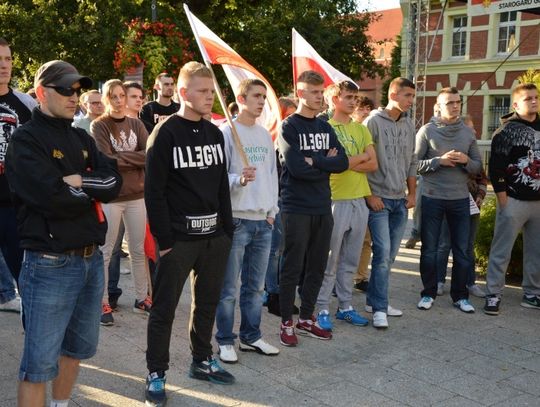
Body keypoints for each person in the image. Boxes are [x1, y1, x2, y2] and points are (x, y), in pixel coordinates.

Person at [5, 59, 121, 407]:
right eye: (65, 89)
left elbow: (114, 183)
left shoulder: (82, 137)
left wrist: (80, 181)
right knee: (38, 366)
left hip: (90, 260)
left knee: (75, 350)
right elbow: (52, 198)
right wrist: (91, 189)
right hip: (48, 264)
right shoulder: (26, 140)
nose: (74, 96)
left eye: (77, 89)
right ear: (42, 93)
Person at [144, 61, 235, 406]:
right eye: (203, 91)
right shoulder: (164, 133)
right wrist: (165, 241)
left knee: (207, 303)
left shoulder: (215, 133)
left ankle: (202, 360)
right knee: (164, 309)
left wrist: (227, 230)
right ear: (183, 93)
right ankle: (156, 372)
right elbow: (154, 192)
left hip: (215, 238)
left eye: (212, 91)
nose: (210, 97)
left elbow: (222, 187)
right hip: (179, 241)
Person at [277, 70, 348, 347]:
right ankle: (286, 321)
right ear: (300, 93)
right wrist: (325, 162)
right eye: (314, 92)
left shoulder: (324, 127)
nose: (320, 97)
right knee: (293, 266)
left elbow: (343, 162)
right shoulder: (289, 127)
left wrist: (315, 161)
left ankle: (306, 318)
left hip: (322, 206)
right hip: (296, 206)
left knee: (318, 264)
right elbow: (296, 168)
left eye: (321, 92)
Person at [215, 79, 280, 363]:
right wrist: (239, 179)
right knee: (228, 287)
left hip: (263, 221)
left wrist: (272, 211)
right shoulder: (227, 132)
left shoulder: (264, 134)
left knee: (255, 287)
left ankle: (251, 336)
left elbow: (272, 175)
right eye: (256, 96)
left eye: (263, 97)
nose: (262, 101)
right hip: (237, 219)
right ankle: (225, 339)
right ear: (241, 99)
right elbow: (218, 177)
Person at [315, 80, 377, 331]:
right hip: (334, 199)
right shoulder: (324, 128)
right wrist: (358, 158)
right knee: (329, 259)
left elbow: (373, 164)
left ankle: (345, 306)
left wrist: (345, 161)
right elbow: (328, 165)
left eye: (355, 97)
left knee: (350, 260)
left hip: (359, 199)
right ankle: (321, 308)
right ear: (334, 99)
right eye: (348, 97)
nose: (353, 102)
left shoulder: (361, 129)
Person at [415, 87, 482, 313]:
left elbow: (478, 167)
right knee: (430, 249)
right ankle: (428, 293)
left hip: (460, 199)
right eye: (450, 103)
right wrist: (438, 161)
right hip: (432, 197)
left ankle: (460, 297)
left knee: (462, 251)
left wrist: (465, 160)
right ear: (438, 106)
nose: (455, 106)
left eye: (458, 102)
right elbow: (413, 164)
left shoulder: (468, 133)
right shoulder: (427, 130)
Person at [90, 79, 149, 326]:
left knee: (138, 250)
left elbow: (149, 154)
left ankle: (142, 298)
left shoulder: (136, 124)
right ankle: (102, 301)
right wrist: (134, 159)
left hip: (137, 195)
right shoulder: (99, 125)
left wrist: (121, 158)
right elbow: (105, 159)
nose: (118, 100)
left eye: (121, 95)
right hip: (112, 196)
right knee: (106, 251)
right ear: (106, 99)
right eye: (112, 96)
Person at [364, 77, 417, 329]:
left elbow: (412, 160)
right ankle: (379, 308)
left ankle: (374, 300)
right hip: (379, 200)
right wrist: (369, 196)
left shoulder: (409, 124)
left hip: (400, 201)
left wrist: (412, 193)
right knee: (382, 254)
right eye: (407, 95)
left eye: (413, 96)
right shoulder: (372, 122)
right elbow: (363, 159)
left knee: (390, 256)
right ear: (393, 95)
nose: (411, 101)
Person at [484, 83, 540, 315]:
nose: (534, 101)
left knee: (537, 251)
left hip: (539, 201)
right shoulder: (505, 132)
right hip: (513, 200)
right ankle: (493, 294)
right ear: (515, 104)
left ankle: (532, 294)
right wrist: (503, 200)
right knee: (501, 250)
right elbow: (495, 168)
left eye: (536, 97)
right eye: (528, 98)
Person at [0, 37, 37, 313]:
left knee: (27, 279)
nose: (4, 65)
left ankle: (34, 333)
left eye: (8, 59)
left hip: (15, 206)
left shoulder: (26, 104)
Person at [435, 115, 487, 299]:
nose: (474, 131)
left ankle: (469, 282)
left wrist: (480, 195)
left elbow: (482, 176)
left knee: (467, 246)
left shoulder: (473, 151)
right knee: (444, 244)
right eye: (470, 128)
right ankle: (439, 281)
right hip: (449, 202)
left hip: (471, 205)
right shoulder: (448, 150)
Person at [351, 95, 375, 292]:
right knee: (341, 242)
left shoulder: (368, 133)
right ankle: (338, 279)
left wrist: (351, 163)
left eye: (369, 108)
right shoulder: (346, 132)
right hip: (346, 193)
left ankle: (361, 277)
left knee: (366, 240)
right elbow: (340, 164)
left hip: (368, 193)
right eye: (362, 108)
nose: (366, 112)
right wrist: (360, 160)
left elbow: (373, 164)